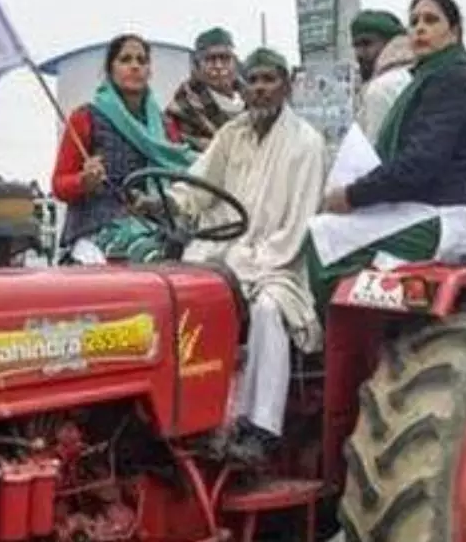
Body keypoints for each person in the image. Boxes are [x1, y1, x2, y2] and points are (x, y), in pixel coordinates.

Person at [164, 47, 326, 463]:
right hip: (224, 254)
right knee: (179, 299)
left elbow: (297, 228)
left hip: (279, 264)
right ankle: (191, 417)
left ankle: (260, 427)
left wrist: (246, 266)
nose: (260, 89)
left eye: (269, 80)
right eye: (252, 81)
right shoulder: (231, 134)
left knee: (268, 309)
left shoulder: (306, 143)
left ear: (286, 86)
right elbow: (199, 184)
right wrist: (170, 203)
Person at [308, 0, 466, 306]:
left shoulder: (451, 81)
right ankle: (362, 323)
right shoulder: (425, 79)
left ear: (454, 32)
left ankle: (342, 332)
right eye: (414, 21)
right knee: (330, 236)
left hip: (441, 216)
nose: (420, 28)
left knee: (321, 238)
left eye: (431, 20)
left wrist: (352, 195)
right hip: (416, 210)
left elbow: (419, 164)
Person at [52, 33, 197, 262]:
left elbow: (181, 176)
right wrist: (83, 181)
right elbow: (59, 185)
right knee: (150, 257)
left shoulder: (165, 127)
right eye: (125, 59)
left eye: (141, 60)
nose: (135, 66)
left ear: (149, 71)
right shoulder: (85, 118)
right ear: (110, 69)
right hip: (96, 230)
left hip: (157, 227)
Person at [165, 27, 244, 151]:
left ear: (235, 63)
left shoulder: (254, 101)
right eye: (210, 59)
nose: (218, 66)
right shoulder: (184, 108)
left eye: (224, 58)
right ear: (197, 67)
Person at [350, 9, 415, 141]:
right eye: (356, 46)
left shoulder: (381, 87)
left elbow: (374, 148)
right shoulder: (414, 75)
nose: (359, 54)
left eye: (366, 43)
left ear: (390, 43)